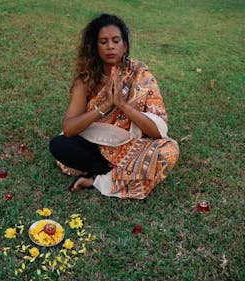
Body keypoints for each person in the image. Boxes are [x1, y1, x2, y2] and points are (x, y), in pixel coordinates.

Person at [49, 14, 179, 200]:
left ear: (124, 46)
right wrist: (105, 106)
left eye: (116, 40)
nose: (110, 46)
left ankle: (95, 179)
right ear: (95, 47)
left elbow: (158, 132)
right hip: (95, 145)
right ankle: (120, 175)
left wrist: (122, 105)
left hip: (130, 147)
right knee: (59, 145)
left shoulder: (140, 75)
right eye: (103, 41)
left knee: (168, 151)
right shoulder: (86, 79)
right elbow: (69, 129)